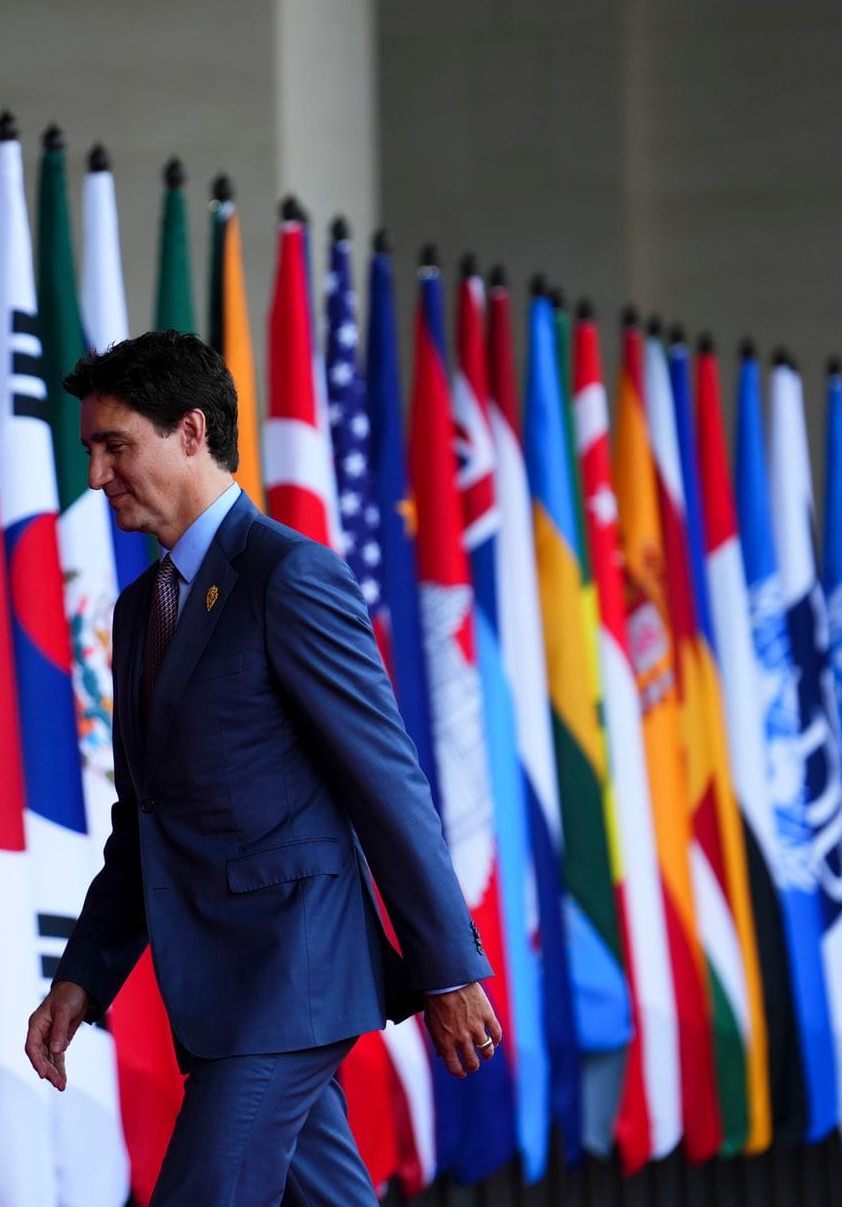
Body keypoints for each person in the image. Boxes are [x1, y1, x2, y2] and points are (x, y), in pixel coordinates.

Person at [25, 330, 499, 1204]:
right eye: (91, 450)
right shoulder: (138, 612)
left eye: (115, 446)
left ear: (193, 432)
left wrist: (448, 967)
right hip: (224, 988)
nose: (96, 476)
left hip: (292, 977)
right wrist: (83, 975)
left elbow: (386, 783)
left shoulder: (291, 576)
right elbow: (148, 820)